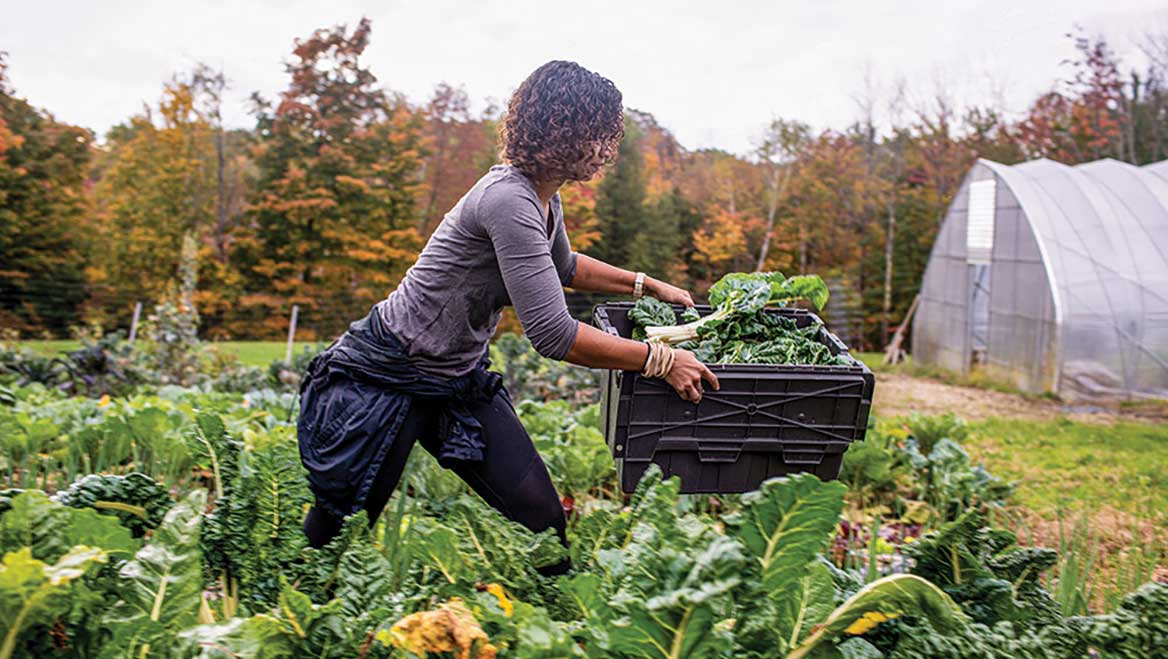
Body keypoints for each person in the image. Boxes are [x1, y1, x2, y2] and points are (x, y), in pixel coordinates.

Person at [296, 60, 719, 573]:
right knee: (339, 532)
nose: (610, 150)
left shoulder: (543, 196)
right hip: (391, 374)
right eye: (603, 135)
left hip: (456, 379)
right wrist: (659, 359)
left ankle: (565, 631)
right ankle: (290, 613)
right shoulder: (508, 199)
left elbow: (562, 265)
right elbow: (553, 333)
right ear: (569, 132)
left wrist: (645, 284)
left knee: (542, 517)